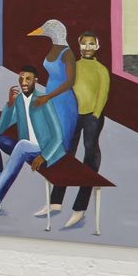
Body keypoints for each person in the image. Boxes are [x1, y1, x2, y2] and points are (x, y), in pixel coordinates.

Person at [0, 67, 66, 217]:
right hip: (25, 147)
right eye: (21, 78)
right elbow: (1, 129)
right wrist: (10, 104)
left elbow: (58, 136)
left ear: (35, 81)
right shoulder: (20, 100)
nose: (24, 82)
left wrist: (44, 156)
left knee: (21, 145)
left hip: (43, 150)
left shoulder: (43, 100)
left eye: (28, 79)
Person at [48, 29, 110, 228]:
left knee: (90, 154)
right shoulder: (75, 66)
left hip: (93, 117)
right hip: (74, 115)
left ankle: (80, 208)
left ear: (97, 46)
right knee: (67, 154)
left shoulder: (101, 70)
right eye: (84, 43)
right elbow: (67, 89)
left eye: (91, 43)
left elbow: (103, 94)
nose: (87, 47)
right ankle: (56, 201)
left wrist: (95, 115)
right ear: (79, 45)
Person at [26, 19, 81, 220]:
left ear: (56, 31)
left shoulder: (67, 54)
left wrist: (48, 96)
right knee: (50, 141)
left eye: (46, 28)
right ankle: (55, 201)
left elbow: (70, 82)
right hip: (50, 99)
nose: (42, 30)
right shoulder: (53, 48)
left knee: (62, 147)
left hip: (64, 103)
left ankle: (55, 201)